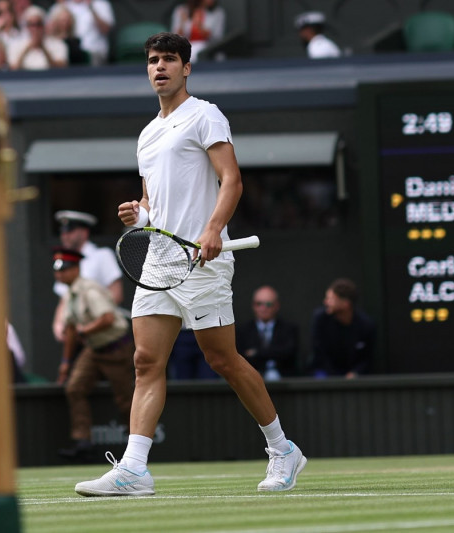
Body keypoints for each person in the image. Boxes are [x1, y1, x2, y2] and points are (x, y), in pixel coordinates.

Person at [74, 33, 306, 497]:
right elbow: (151, 204)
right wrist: (137, 215)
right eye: (153, 61)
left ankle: (283, 450)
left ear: (186, 68)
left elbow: (232, 180)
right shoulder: (146, 134)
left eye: (169, 60)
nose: (159, 67)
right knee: (145, 361)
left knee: (222, 358)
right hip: (159, 262)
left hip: (204, 262)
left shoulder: (205, 114)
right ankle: (134, 469)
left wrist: (214, 228)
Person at [52, 247, 135, 461]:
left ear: (76, 269)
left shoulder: (90, 290)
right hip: (94, 349)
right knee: (74, 388)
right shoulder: (70, 295)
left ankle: (136, 446)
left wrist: (84, 331)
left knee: (126, 399)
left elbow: (107, 318)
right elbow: (70, 330)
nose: (59, 274)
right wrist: (65, 363)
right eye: (57, 270)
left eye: (64, 269)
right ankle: (83, 442)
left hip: (116, 347)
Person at [51, 210, 122, 342]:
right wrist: (58, 324)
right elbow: (64, 299)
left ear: (84, 232)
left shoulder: (102, 255)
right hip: (77, 335)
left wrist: (91, 323)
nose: (65, 235)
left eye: (70, 231)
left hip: (103, 332)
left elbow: (116, 294)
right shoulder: (65, 263)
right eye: (63, 231)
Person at [310, 278, 376, 379]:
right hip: (325, 373)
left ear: (346, 304)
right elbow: (319, 355)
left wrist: (355, 373)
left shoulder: (366, 325)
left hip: (354, 377)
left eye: (330, 299)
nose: (325, 302)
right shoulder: (320, 319)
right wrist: (336, 378)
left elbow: (367, 359)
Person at [235, 285, 299, 380]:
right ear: (253, 306)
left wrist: (256, 353)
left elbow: (288, 354)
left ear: (276, 306)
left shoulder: (289, 329)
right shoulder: (243, 331)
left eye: (268, 304)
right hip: (250, 379)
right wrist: (273, 353)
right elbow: (240, 357)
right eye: (258, 304)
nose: (263, 308)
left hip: (284, 383)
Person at [47, 0, 113, 66]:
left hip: (94, 53)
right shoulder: (61, 5)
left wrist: (91, 7)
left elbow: (106, 29)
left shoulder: (100, 4)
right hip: (69, 52)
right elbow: (47, 31)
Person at [8, 5, 67, 70]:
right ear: (26, 26)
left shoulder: (57, 44)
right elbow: (13, 68)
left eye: (38, 24)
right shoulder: (15, 44)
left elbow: (62, 67)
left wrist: (43, 48)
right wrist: (28, 48)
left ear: (44, 25)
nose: (35, 28)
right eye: (31, 24)